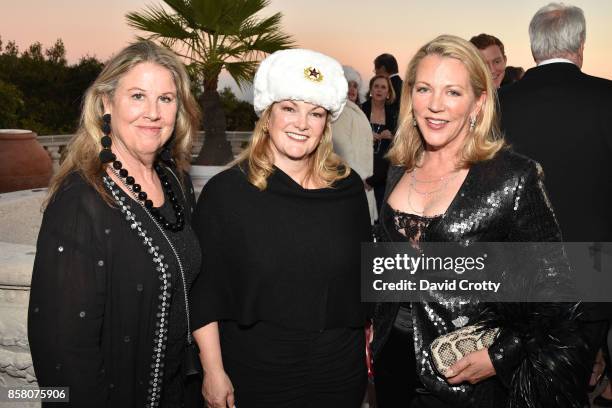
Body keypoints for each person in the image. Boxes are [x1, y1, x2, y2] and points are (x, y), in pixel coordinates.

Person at [371, 34, 588, 408]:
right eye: (424, 89)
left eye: (453, 92)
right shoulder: (399, 166)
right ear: (410, 96)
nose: (435, 105)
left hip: (467, 377)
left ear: (478, 102)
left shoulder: (513, 177)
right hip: (392, 360)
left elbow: (557, 288)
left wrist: (500, 355)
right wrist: (371, 318)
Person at [190, 48, 371, 408]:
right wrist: (212, 370)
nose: (302, 123)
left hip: (339, 368)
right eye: (289, 108)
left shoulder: (347, 188)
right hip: (257, 369)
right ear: (267, 114)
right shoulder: (227, 193)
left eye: (315, 113)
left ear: (326, 124)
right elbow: (204, 291)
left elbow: (364, 273)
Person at [27, 41, 202, 407]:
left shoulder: (175, 182)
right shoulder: (81, 200)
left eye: (166, 99)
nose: (153, 113)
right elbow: (62, 352)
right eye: (138, 96)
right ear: (107, 103)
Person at [498, 2, 612, 402]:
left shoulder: (498, 104)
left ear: (534, 48)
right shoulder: (607, 98)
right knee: (572, 383)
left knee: (517, 384)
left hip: (515, 268)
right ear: (580, 44)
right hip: (594, 266)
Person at [332, 65, 377, 221]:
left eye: (355, 86)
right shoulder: (342, 111)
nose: (352, 89)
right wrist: (361, 178)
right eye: (348, 84)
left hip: (363, 179)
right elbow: (342, 147)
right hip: (354, 180)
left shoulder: (355, 110)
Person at [362, 75, 397, 215]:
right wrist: (365, 136)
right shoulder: (360, 110)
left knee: (379, 217)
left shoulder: (393, 116)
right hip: (361, 173)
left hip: (382, 176)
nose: (379, 90)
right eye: (376, 86)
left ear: (388, 93)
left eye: (383, 87)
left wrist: (392, 137)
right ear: (370, 89)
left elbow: (398, 149)